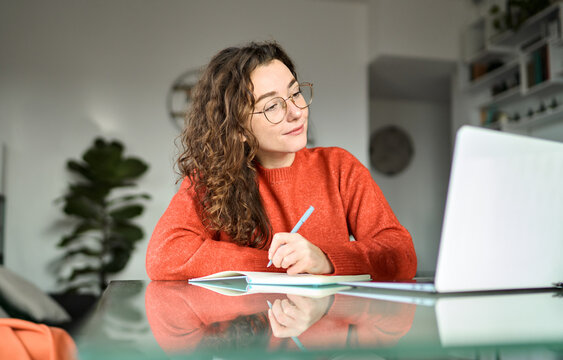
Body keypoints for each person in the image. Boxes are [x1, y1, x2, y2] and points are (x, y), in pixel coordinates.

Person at [146, 41, 417, 281]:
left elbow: (401, 253)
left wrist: (323, 258)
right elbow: (163, 255)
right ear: (238, 129)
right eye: (272, 105)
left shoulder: (339, 168)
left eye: (296, 93)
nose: (297, 112)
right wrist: (279, 265)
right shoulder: (209, 180)